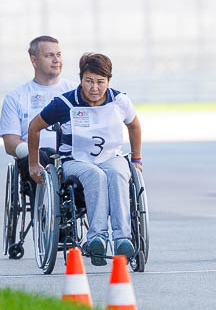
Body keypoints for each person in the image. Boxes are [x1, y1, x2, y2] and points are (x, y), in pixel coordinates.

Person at [27, 52, 142, 266]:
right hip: (76, 161)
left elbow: (134, 125)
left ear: (108, 81)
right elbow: (34, 128)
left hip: (111, 157)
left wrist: (136, 159)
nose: (94, 88)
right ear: (81, 79)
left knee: (118, 173)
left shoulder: (119, 101)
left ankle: (123, 238)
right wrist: (33, 163)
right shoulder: (64, 103)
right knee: (95, 175)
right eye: (89, 81)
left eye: (100, 82)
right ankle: (97, 238)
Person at [0, 35, 76, 181]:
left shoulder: (76, 92)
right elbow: (10, 143)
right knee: (43, 158)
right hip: (35, 161)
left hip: (72, 156)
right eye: (49, 55)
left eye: (58, 55)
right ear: (34, 60)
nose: (56, 60)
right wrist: (36, 153)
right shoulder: (16, 97)